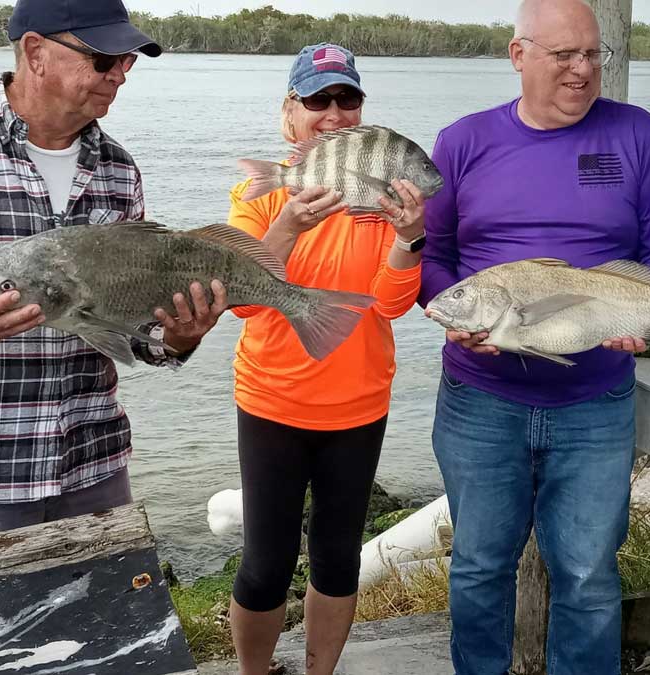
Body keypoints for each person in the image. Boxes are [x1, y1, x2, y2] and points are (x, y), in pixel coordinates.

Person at [0, 0, 226, 545]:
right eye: (102, 59)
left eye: (127, 61)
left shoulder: (119, 171)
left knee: (107, 628)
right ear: (36, 51)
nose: (118, 74)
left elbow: (133, 333)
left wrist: (178, 340)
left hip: (95, 467)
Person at [418, 1, 650, 674]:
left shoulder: (640, 136)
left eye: (594, 55)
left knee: (589, 576)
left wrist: (645, 311)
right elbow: (433, 256)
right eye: (563, 55)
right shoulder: (461, 142)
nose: (582, 70)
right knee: (480, 567)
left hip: (595, 402)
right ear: (518, 55)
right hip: (480, 401)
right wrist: (455, 316)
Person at [226, 43, 429, 675]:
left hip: (359, 404)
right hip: (273, 402)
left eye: (348, 99)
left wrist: (409, 236)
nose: (334, 113)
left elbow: (392, 307)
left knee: (338, 557)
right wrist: (288, 223)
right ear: (291, 113)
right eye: (318, 101)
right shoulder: (257, 197)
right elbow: (241, 304)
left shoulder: (380, 197)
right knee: (266, 562)